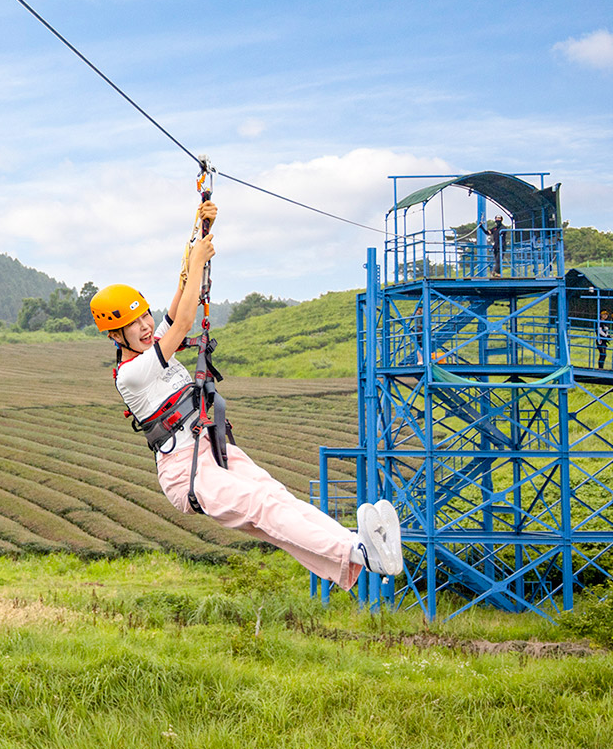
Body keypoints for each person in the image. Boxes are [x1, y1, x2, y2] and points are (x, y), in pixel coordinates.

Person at [89, 199, 403, 591]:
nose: (145, 326)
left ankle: (358, 549)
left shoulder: (152, 342)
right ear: (114, 335)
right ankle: (358, 551)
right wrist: (199, 261)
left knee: (276, 497)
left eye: (144, 316)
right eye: (132, 324)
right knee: (263, 506)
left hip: (212, 445)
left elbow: (180, 296)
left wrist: (199, 231)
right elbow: (183, 321)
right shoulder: (133, 374)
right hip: (187, 471)